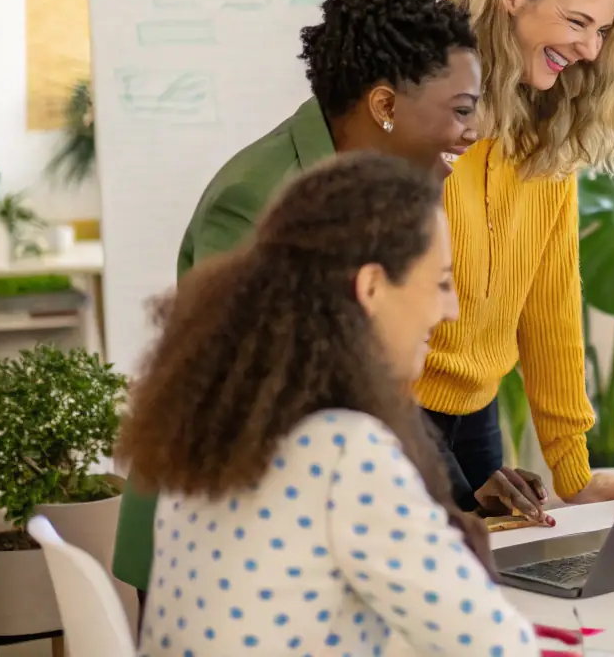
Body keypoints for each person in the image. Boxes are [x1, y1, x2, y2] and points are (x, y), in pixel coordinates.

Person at [112, 0, 550, 612]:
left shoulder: (384, 193)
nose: (475, 130)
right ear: (385, 105)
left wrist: (456, 491)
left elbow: (373, 386)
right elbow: (270, 404)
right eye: (460, 108)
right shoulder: (263, 198)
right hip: (219, 540)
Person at [116, 152, 540, 657]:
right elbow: (497, 645)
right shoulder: (344, 451)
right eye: (442, 281)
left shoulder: (218, 422)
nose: (450, 309)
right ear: (372, 287)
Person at [423, 0, 614, 510]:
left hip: (478, 416)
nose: (588, 48)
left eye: (601, 32)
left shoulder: (547, 136)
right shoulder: (424, 117)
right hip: (396, 410)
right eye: (577, 21)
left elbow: (551, 307)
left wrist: (573, 473)